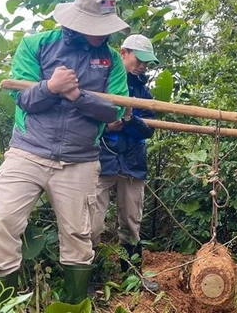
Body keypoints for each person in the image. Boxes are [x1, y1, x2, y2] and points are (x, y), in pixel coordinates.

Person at [0, 0, 130, 307]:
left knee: (79, 235)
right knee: (0, 221)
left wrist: (77, 96)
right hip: (28, 151)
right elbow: (24, 100)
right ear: (77, 21)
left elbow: (115, 111)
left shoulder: (112, 60)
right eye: (96, 25)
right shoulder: (36, 45)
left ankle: (72, 305)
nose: (104, 33)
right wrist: (51, 86)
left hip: (80, 159)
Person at [90, 34, 159, 292]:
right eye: (139, 59)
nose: (142, 66)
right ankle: (90, 277)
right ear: (123, 53)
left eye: (146, 62)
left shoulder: (143, 91)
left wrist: (130, 119)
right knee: (92, 221)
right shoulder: (102, 79)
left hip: (132, 164)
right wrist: (106, 125)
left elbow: (148, 129)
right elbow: (86, 114)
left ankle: (132, 277)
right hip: (103, 160)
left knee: (131, 222)